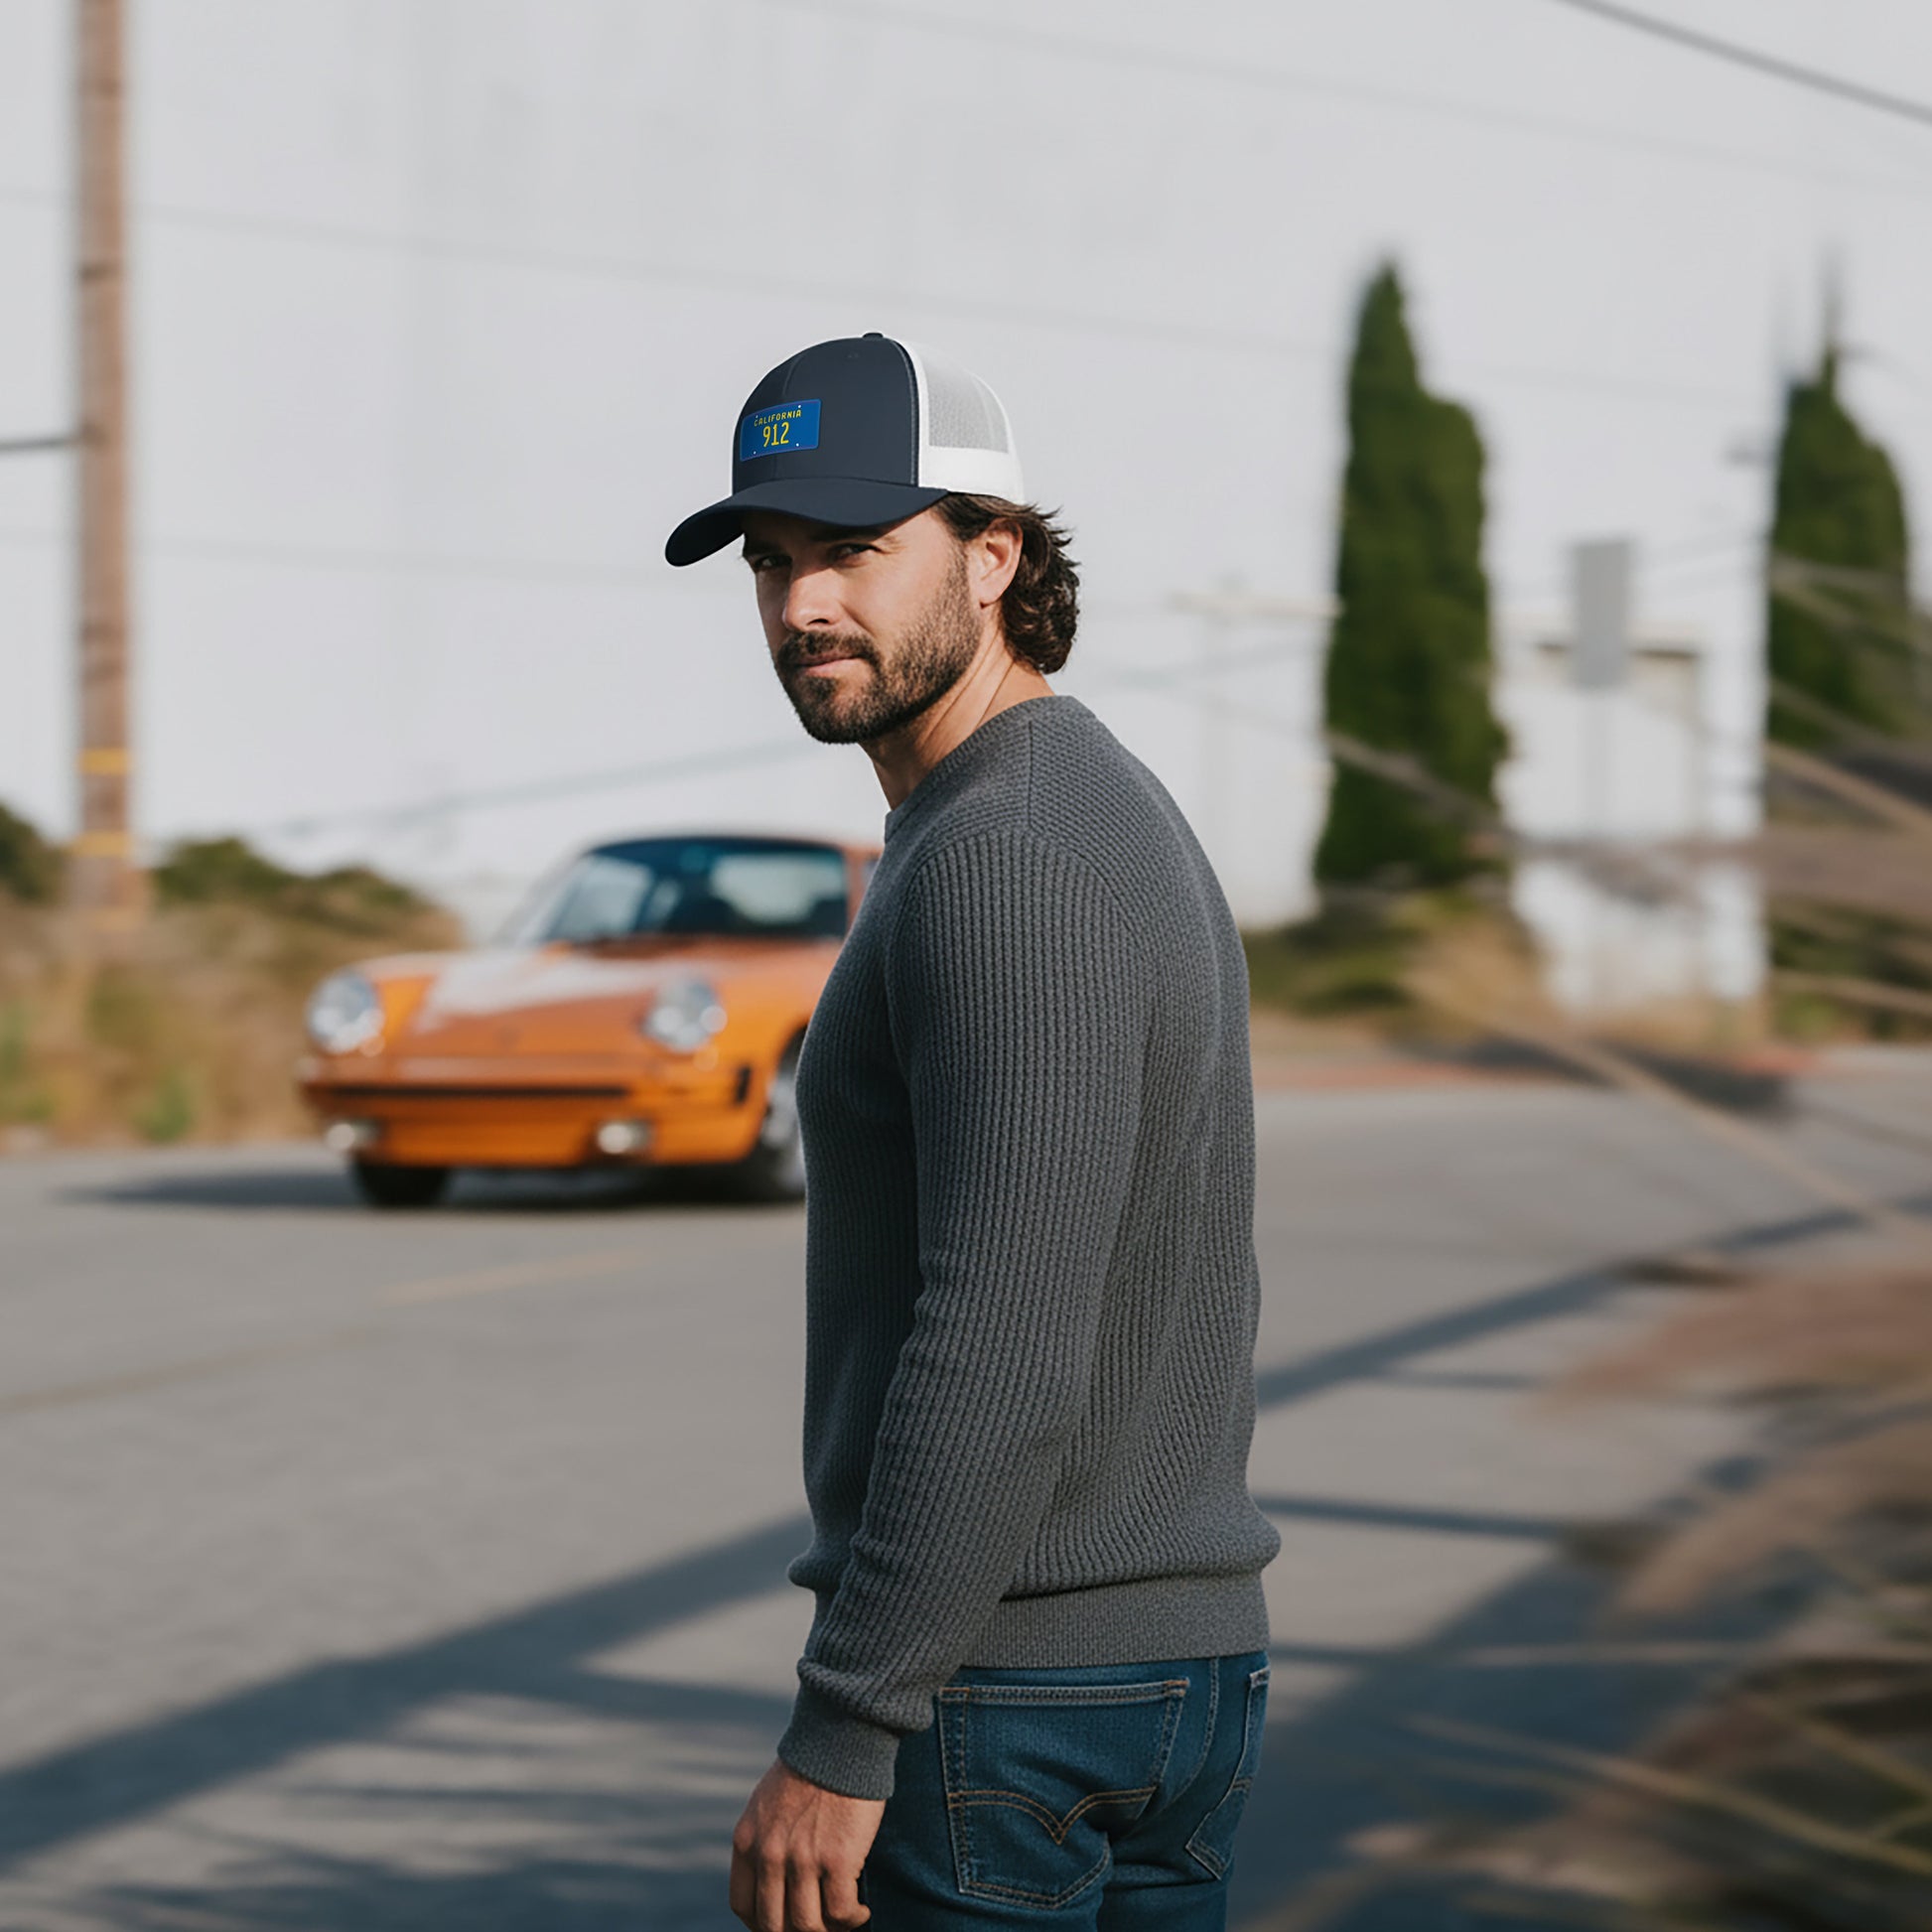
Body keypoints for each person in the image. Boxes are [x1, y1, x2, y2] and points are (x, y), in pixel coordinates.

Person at [665, 334, 1280, 1932]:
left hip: (1009, 1700)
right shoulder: (1079, 806)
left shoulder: (1006, 853)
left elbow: (999, 1333)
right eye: (772, 560)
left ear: (991, 555)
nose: (803, 606)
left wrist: (846, 1721)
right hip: (1156, 1674)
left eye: (857, 553)